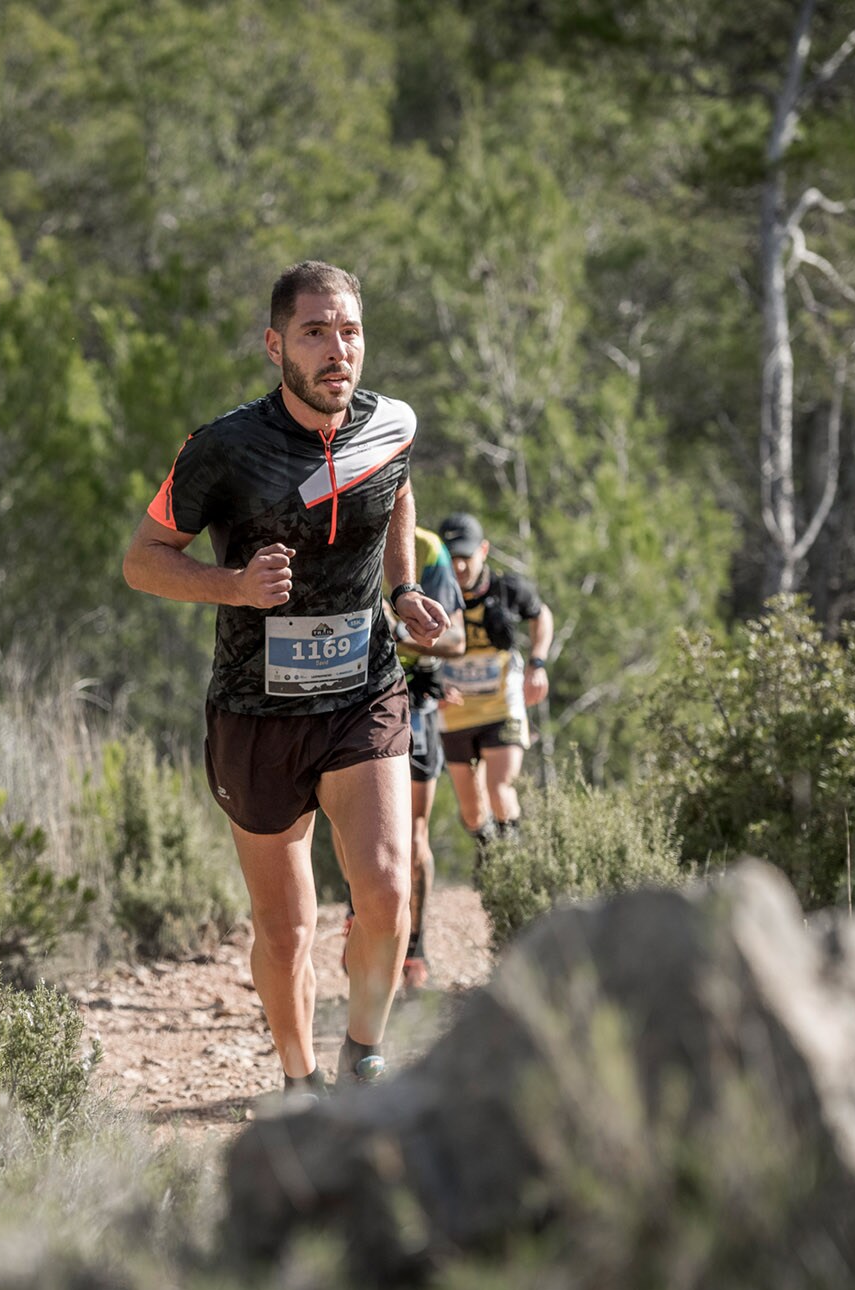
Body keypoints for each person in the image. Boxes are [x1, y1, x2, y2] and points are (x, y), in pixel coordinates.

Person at [122, 260, 450, 1095]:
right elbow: (143, 561)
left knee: (384, 885)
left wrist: (405, 587)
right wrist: (229, 586)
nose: (338, 349)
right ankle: (302, 1082)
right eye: (315, 332)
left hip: (363, 690)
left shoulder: (393, 424)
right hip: (255, 711)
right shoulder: (223, 447)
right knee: (287, 927)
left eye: (350, 331)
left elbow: (397, 491)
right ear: (276, 345)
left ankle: (364, 1052)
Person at [340, 528, 464, 990]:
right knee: (348, 825)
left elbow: (456, 642)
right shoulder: (334, 520)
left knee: (413, 835)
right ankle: (358, 916)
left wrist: (392, 631)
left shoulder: (428, 549)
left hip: (415, 702)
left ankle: (416, 947)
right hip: (356, 696)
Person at [434, 512, 553, 852]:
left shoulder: (507, 589)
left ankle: (512, 864)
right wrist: (429, 684)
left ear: (483, 550)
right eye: (451, 558)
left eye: (465, 557)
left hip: (503, 706)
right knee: (472, 813)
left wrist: (537, 663)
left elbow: (540, 614)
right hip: (454, 714)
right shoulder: (430, 596)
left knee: (500, 787)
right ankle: (490, 852)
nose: (458, 567)